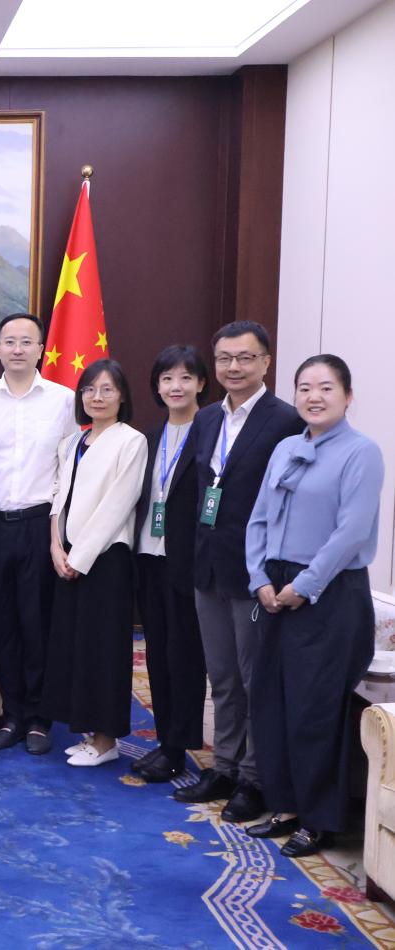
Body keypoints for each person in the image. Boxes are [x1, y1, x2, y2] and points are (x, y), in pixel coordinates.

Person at [243, 355, 383, 857]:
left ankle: (318, 818)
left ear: (348, 396)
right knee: (271, 702)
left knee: (314, 711)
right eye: (304, 388)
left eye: (326, 387)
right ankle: (284, 805)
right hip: (275, 588)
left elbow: (351, 532)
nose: (314, 397)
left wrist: (305, 585)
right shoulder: (285, 448)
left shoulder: (362, 452)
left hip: (329, 592)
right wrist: (259, 577)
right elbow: (258, 518)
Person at [173, 321, 301, 821]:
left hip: (256, 572)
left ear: (266, 362)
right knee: (222, 677)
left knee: (255, 680)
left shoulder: (285, 420)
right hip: (209, 566)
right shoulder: (207, 418)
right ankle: (224, 767)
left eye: (245, 358)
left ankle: (255, 778)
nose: (234, 367)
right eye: (225, 358)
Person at [0, 313, 78, 755]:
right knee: (3, 622)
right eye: (9, 341)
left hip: (39, 524)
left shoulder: (63, 400)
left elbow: (70, 466)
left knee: (38, 623)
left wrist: (59, 531)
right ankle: (11, 714)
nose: (17, 349)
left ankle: (39, 719)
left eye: (26, 342)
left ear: (41, 349)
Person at [43, 359, 148, 767]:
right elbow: (59, 495)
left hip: (105, 560)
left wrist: (79, 557)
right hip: (68, 556)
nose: (97, 397)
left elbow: (118, 504)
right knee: (76, 647)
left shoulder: (131, 441)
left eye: (107, 389)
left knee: (104, 650)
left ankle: (106, 741)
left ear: (122, 396)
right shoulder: (74, 441)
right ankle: (88, 732)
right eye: (89, 389)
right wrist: (56, 547)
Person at [131, 345, 208, 782]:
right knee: (157, 655)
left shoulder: (211, 433)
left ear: (200, 383)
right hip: (149, 558)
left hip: (187, 562)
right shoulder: (150, 437)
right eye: (167, 379)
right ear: (157, 386)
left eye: (185, 377)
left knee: (185, 657)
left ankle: (179, 745)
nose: (175, 386)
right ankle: (165, 742)